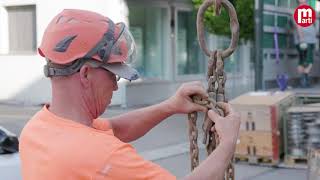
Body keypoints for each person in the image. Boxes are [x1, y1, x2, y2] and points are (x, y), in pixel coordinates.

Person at [19, 9, 240, 180]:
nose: (116, 87)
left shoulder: (36, 129)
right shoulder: (101, 156)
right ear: (86, 74)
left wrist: (170, 106)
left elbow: (114, 129)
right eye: (113, 76)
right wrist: (228, 142)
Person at [293, 0, 317, 88]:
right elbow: (298, 26)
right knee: (309, 60)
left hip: (309, 39)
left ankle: (303, 80)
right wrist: (302, 39)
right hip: (305, 40)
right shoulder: (297, 11)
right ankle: (305, 79)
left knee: (302, 60)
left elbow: (313, 23)